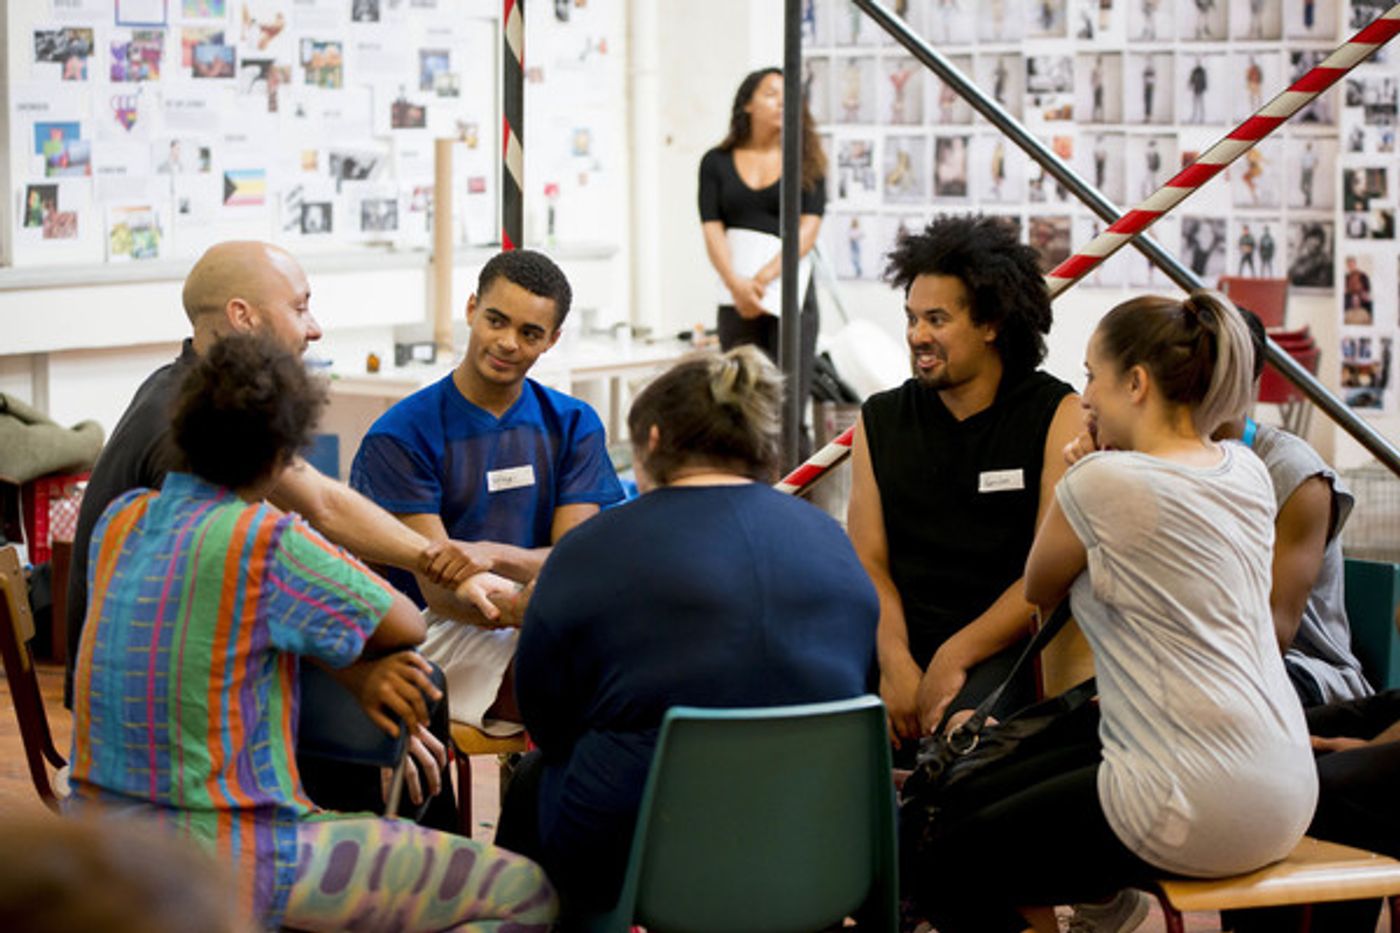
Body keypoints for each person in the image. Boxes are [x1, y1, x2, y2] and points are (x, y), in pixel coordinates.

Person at [68, 333, 557, 932]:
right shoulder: (266, 541)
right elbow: (402, 621)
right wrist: (361, 661)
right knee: (525, 893)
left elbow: (212, 632)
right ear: (287, 458)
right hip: (238, 855)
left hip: (97, 844)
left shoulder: (122, 521)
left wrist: (353, 668)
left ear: (179, 429)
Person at [909, 291, 1316, 933]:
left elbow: (1040, 588)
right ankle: (1094, 904)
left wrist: (1085, 473)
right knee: (984, 801)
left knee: (940, 861)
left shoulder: (1101, 482)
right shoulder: (1246, 469)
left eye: (1092, 376)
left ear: (1136, 382)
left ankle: (1091, 902)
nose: (1086, 398)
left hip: (1186, 803)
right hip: (1289, 791)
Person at [64, 241, 482, 823]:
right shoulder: (230, 495)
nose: (314, 328)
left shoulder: (183, 399)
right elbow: (301, 540)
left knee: (393, 684)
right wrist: (354, 675)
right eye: (301, 305)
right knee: (412, 689)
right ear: (243, 316)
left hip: (112, 742)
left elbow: (320, 502)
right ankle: (401, 891)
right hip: (170, 717)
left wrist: (435, 559)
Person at [495, 346, 879, 917]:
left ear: (651, 441)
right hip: (827, 841)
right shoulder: (830, 540)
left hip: (647, 851)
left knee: (533, 778)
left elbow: (546, 715)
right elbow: (858, 682)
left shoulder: (595, 549)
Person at [350, 249, 625, 736]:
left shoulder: (573, 423)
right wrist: (529, 605)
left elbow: (575, 558)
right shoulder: (402, 435)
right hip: (438, 626)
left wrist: (492, 556)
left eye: (530, 333)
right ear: (472, 308)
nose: (508, 343)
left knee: (642, 669)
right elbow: (441, 588)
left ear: (553, 340)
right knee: (577, 690)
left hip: (544, 612)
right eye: (496, 320)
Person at [848, 215, 1081, 758]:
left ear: (991, 324)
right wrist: (895, 661)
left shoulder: (1057, 414)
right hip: (899, 639)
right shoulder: (880, 420)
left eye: (937, 319)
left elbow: (1047, 575)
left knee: (963, 750)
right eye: (911, 318)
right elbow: (868, 562)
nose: (916, 336)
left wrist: (955, 656)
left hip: (1004, 644)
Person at [1213, 310, 1372, 706]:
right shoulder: (1152, 459)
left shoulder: (1293, 472)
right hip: (1206, 659)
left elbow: (1273, 636)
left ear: (1247, 381)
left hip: (1304, 670)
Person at [699, 68, 828, 457]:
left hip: (788, 292)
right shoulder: (716, 162)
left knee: (788, 404)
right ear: (748, 103)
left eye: (788, 95)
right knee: (738, 399)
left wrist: (764, 278)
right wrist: (738, 284)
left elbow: (808, 229)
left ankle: (796, 501)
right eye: (771, 94)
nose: (781, 102)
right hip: (736, 295)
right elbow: (711, 227)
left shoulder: (807, 161)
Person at [1188, 57, 1207, 123]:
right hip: (1196, 89)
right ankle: (1194, 117)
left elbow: (1204, 80)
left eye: (1198, 62)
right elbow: (1191, 79)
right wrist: (1190, 84)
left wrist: (1204, 87)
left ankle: (1202, 118)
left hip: (1200, 89)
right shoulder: (1194, 70)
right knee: (1195, 104)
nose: (1198, 63)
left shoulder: (1202, 71)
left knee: (1200, 104)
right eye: (1197, 62)